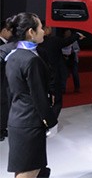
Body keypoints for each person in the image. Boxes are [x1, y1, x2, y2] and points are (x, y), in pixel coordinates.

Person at [4, 12, 57, 178]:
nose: (43, 31)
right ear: (31, 32)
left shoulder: (12, 57)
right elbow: (38, 96)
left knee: (26, 168)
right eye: (40, 28)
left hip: (17, 119)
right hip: (30, 123)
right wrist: (51, 121)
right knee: (30, 170)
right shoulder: (31, 60)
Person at [38, 25, 83, 118]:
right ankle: (51, 121)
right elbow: (66, 41)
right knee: (57, 100)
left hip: (40, 76)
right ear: (45, 29)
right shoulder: (53, 41)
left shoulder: (35, 44)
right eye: (49, 28)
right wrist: (77, 35)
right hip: (54, 75)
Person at [0, 17, 16, 141]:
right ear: (4, 30)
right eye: (10, 31)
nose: (11, 34)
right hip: (1, 80)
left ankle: (2, 128)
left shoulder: (6, 45)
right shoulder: (3, 46)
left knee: (5, 104)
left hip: (5, 81)